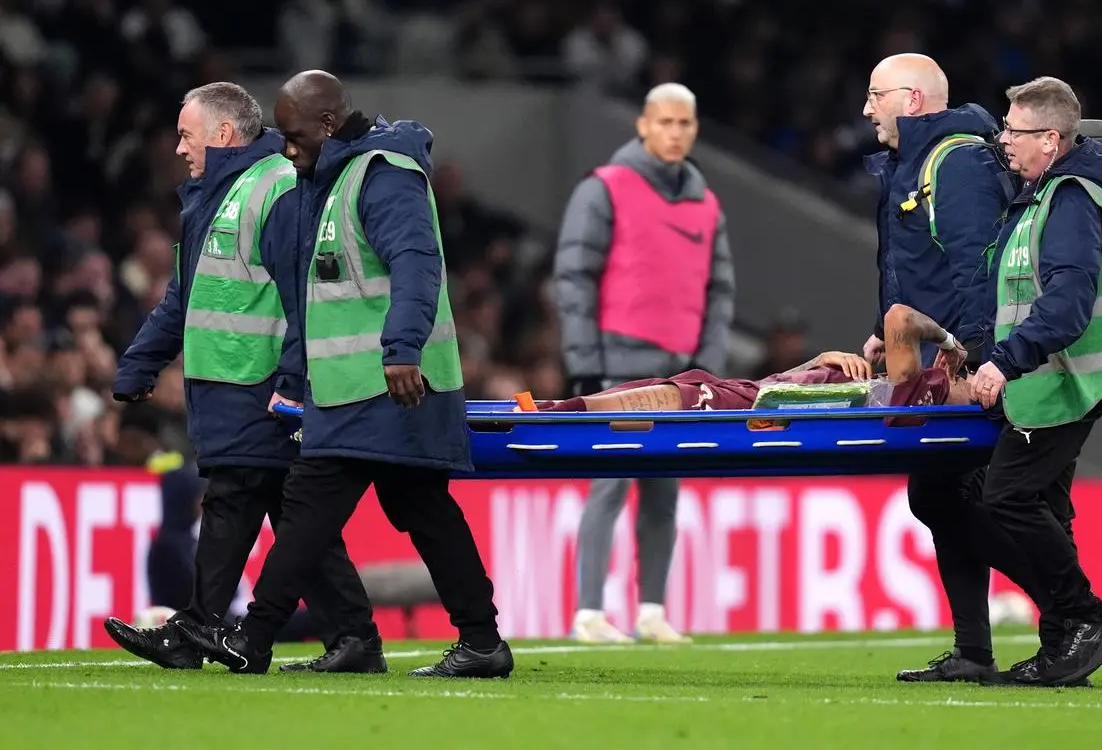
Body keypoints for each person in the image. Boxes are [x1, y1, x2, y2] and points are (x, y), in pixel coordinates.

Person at [176, 71, 512, 679]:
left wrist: (402, 348)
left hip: (393, 383)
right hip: (352, 387)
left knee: (313, 513)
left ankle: (253, 640)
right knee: (416, 510)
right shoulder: (327, 180)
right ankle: (482, 641)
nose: (286, 148)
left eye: (296, 133)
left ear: (329, 124)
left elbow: (416, 263)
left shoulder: (384, 176)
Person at [104, 82, 383, 673]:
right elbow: (183, 297)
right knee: (293, 518)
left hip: (258, 388)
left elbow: (305, 296)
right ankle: (353, 638)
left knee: (234, 502)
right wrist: (141, 362)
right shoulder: (212, 198)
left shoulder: (275, 189)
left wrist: (292, 376)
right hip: (227, 387)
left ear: (223, 135)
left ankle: (195, 630)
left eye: (186, 135)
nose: (179, 148)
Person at [859, 54, 1023, 684]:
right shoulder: (918, 165)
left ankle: (1072, 606)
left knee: (943, 495)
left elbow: (977, 271)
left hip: (970, 367)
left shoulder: (953, 164)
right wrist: (883, 331)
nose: (867, 109)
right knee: (945, 495)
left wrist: (980, 357)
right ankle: (977, 649)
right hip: (940, 359)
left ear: (915, 101)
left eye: (876, 95)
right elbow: (915, 267)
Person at [967, 76, 1102, 687]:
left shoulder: (1069, 198)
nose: (1002, 139)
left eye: (1013, 129)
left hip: (1062, 382)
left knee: (1003, 499)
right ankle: (1066, 644)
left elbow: (1065, 305)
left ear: (1051, 138)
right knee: (1045, 510)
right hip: (1044, 381)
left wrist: (1004, 361)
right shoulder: (1042, 197)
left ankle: (1085, 617)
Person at [554, 82, 734, 644]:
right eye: (666, 122)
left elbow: (719, 290)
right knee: (609, 484)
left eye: (685, 123)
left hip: (679, 374)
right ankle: (589, 613)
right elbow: (574, 278)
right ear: (643, 125)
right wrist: (583, 364)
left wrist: (706, 364)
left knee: (664, 492)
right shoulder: (604, 189)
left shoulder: (706, 203)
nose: (676, 132)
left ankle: (651, 610)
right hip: (618, 366)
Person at [525, 303, 971, 414]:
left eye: (971, 382)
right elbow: (789, 378)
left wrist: (949, 344)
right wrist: (818, 359)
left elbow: (899, 317)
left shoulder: (915, 395)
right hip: (768, 391)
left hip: (764, 405)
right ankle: (560, 408)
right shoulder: (913, 386)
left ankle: (559, 409)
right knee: (674, 388)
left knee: (677, 397)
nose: (973, 380)